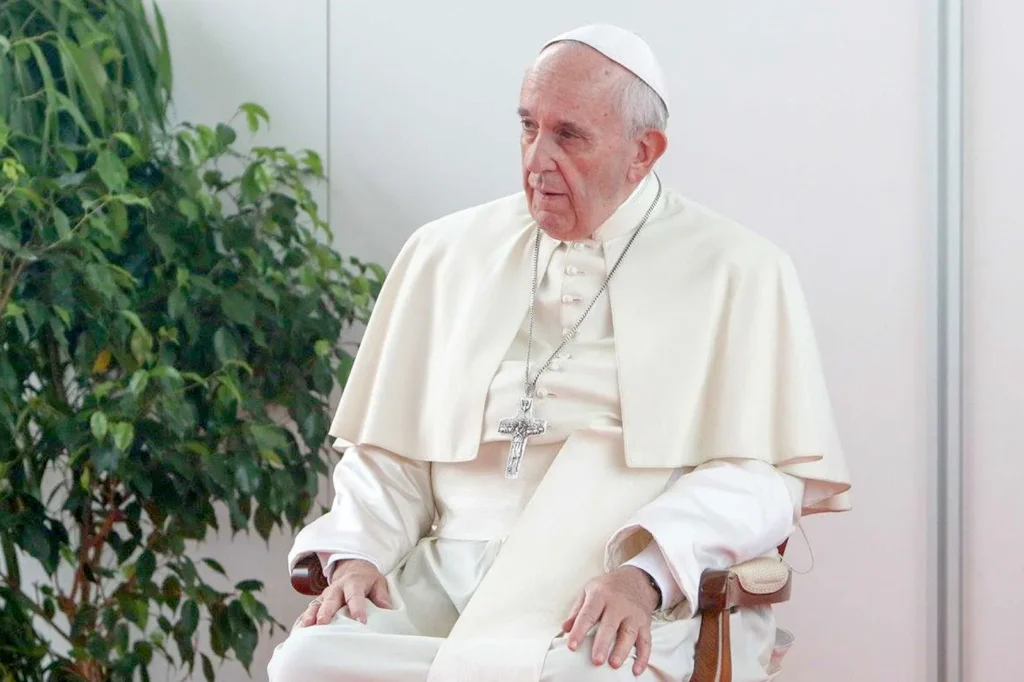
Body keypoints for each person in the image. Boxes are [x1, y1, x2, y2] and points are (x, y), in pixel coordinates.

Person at [268, 23, 851, 682]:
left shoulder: (738, 269)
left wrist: (646, 574)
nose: (537, 160)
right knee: (311, 662)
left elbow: (760, 477)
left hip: (600, 583)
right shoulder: (444, 253)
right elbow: (392, 456)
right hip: (446, 575)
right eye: (527, 127)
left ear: (643, 152)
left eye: (569, 136)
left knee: (589, 674)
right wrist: (357, 555)